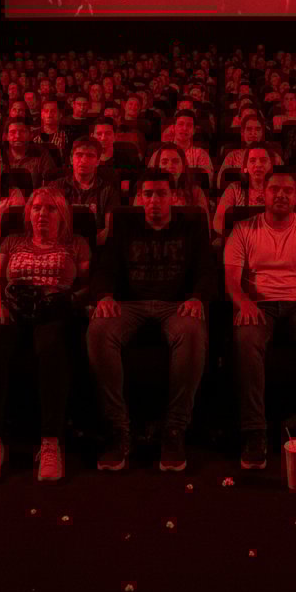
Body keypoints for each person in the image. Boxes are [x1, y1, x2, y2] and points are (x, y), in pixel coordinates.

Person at [87, 170, 215, 472]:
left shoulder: (192, 225)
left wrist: (198, 297)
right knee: (98, 329)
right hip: (130, 305)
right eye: (148, 194)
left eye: (160, 193)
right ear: (139, 199)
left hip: (176, 305)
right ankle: (119, 430)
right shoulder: (125, 225)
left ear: (173, 197)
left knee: (193, 331)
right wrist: (104, 296)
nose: (154, 200)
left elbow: (207, 270)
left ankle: (175, 429)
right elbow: (105, 267)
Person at [0, 187, 91, 483]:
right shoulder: (12, 242)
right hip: (13, 308)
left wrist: (70, 300)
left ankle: (50, 442)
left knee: (51, 346)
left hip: (54, 311)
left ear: (62, 215)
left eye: (50, 209)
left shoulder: (76, 244)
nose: (42, 214)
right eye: (36, 208)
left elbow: (89, 284)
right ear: (28, 214)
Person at [225, 168, 296, 470]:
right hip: (259, 305)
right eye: (275, 189)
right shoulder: (244, 229)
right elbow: (232, 280)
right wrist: (244, 305)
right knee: (246, 338)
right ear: (263, 193)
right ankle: (254, 432)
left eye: (288, 190)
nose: (281, 195)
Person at [47, 136, 119, 246]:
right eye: (79, 155)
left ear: (98, 161)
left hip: (96, 246)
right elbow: (48, 220)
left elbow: (109, 227)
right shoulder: (56, 186)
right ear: (71, 159)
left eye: (90, 156)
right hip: (60, 243)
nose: (84, 160)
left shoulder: (108, 190)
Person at [135, 143, 210, 229]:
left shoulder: (196, 192)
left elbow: (204, 227)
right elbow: (136, 225)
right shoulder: (144, 191)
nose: (170, 166)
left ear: (183, 167)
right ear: (157, 165)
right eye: (164, 162)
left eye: (175, 161)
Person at [213, 143, 273, 238]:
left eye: (263, 160)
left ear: (271, 165)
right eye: (252, 160)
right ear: (246, 167)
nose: (258, 165)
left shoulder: (279, 190)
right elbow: (218, 221)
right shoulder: (234, 189)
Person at [148, 109, 215, 184]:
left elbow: (207, 183)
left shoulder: (201, 155)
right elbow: (149, 180)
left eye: (189, 125)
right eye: (181, 124)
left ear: (194, 131)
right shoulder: (159, 153)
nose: (184, 128)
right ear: (174, 127)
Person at [215, 114, 281, 188]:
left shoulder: (274, 156)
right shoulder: (232, 156)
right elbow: (220, 183)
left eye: (258, 129)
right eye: (249, 129)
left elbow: (284, 180)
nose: (253, 133)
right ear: (242, 133)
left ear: (262, 133)